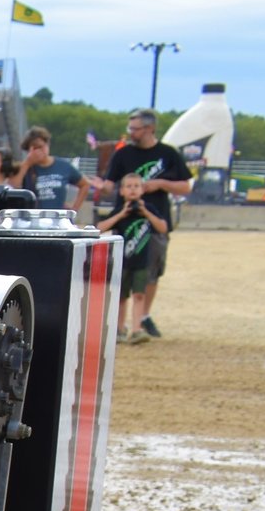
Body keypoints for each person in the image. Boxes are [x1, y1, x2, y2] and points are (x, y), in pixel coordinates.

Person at [100, 110, 192, 340]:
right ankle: (120, 326)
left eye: (135, 129)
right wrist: (101, 187)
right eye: (130, 128)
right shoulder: (123, 154)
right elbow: (109, 185)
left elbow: (185, 187)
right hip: (125, 222)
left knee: (151, 273)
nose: (131, 133)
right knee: (124, 275)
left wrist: (160, 183)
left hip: (154, 221)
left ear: (150, 129)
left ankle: (142, 319)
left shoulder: (168, 154)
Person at [96, 172, 169, 342]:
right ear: (121, 191)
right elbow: (100, 227)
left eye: (137, 186)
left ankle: (137, 329)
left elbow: (163, 227)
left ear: (143, 190)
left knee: (139, 295)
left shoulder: (148, 209)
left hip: (142, 262)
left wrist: (146, 212)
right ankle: (119, 329)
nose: (133, 190)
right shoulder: (120, 210)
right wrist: (121, 215)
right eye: (129, 187)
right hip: (123, 263)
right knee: (121, 296)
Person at [16, 127, 83, 209]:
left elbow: (84, 184)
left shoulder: (63, 165)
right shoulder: (25, 167)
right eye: (34, 148)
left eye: (40, 147)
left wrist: (75, 209)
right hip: (33, 218)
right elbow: (13, 187)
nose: (38, 151)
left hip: (56, 217)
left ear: (47, 145)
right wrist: (28, 163)